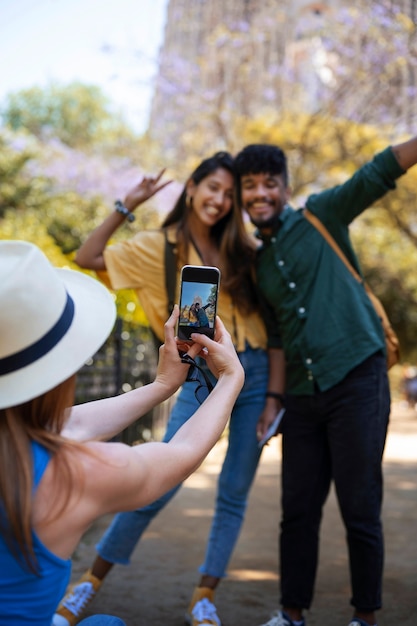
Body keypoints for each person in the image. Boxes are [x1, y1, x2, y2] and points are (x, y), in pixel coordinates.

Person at [54, 152, 268, 626]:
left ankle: (204, 596)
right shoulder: (158, 247)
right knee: (157, 483)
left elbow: (268, 316)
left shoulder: (241, 247)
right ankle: (89, 582)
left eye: (229, 195)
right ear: (191, 188)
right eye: (213, 187)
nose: (220, 200)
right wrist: (127, 205)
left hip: (252, 369)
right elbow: (86, 257)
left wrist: (276, 391)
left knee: (234, 491)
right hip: (199, 370)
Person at [0, 240, 244, 626]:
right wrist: (232, 377)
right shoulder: (73, 474)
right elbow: (180, 454)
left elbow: (71, 424)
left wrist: (163, 385)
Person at [233, 136, 417, 626]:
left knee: (360, 505)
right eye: (248, 186)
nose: (259, 194)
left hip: (357, 376)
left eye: (269, 183)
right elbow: (276, 336)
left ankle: (365, 615)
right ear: (241, 197)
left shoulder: (322, 215)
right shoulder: (257, 264)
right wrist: (273, 401)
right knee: (296, 510)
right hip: (300, 395)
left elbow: (375, 173)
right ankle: (291, 613)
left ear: (285, 188)